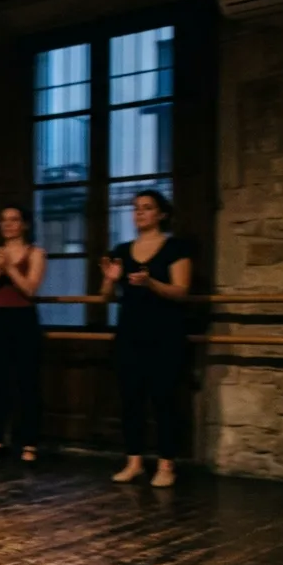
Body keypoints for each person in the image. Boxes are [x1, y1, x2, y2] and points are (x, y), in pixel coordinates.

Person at [98, 190, 191, 488]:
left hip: (165, 334)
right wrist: (110, 279)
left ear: (161, 214)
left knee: (164, 400)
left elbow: (181, 291)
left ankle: (166, 465)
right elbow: (105, 297)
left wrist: (151, 283)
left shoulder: (175, 247)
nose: (139, 213)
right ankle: (134, 462)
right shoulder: (123, 250)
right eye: (136, 208)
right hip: (129, 333)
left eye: (147, 208)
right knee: (131, 400)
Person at [0, 205, 45, 464]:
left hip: (24, 319)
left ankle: (29, 443)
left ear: (24, 224)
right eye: (4, 220)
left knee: (27, 384)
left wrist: (11, 269)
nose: (8, 224)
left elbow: (30, 289)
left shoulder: (36, 253)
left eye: (14, 220)